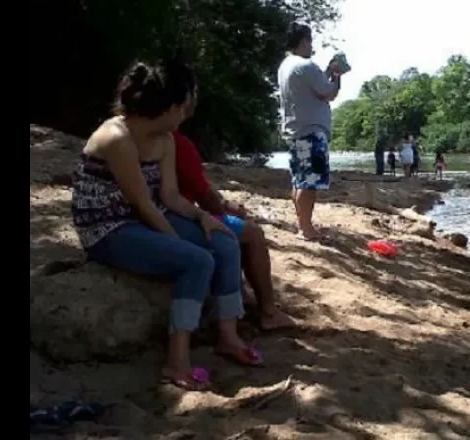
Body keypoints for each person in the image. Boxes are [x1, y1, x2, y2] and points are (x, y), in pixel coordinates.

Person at [71, 58, 262, 391]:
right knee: (197, 260)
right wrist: (179, 244)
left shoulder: (165, 139)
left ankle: (228, 336)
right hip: (108, 227)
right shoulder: (117, 137)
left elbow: (170, 196)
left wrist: (203, 218)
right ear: (172, 105)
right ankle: (177, 362)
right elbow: (142, 203)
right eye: (186, 104)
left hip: (147, 215)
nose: (188, 112)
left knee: (225, 241)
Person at [173, 121, 296, 331]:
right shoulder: (177, 143)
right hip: (180, 217)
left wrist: (222, 205)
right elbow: (204, 195)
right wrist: (223, 208)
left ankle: (243, 296)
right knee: (253, 233)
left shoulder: (149, 139)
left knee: (235, 227)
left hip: (170, 212)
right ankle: (268, 311)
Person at [278, 22, 344, 242]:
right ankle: (306, 229)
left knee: (299, 180)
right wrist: (336, 74)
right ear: (303, 41)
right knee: (309, 182)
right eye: (310, 41)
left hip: (296, 130)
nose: (311, 47)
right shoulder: (306, 65)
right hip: (310, 131)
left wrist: (325, 73)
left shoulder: (286, 65)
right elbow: (329, 92)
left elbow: (311, 87)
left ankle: (303, 225)